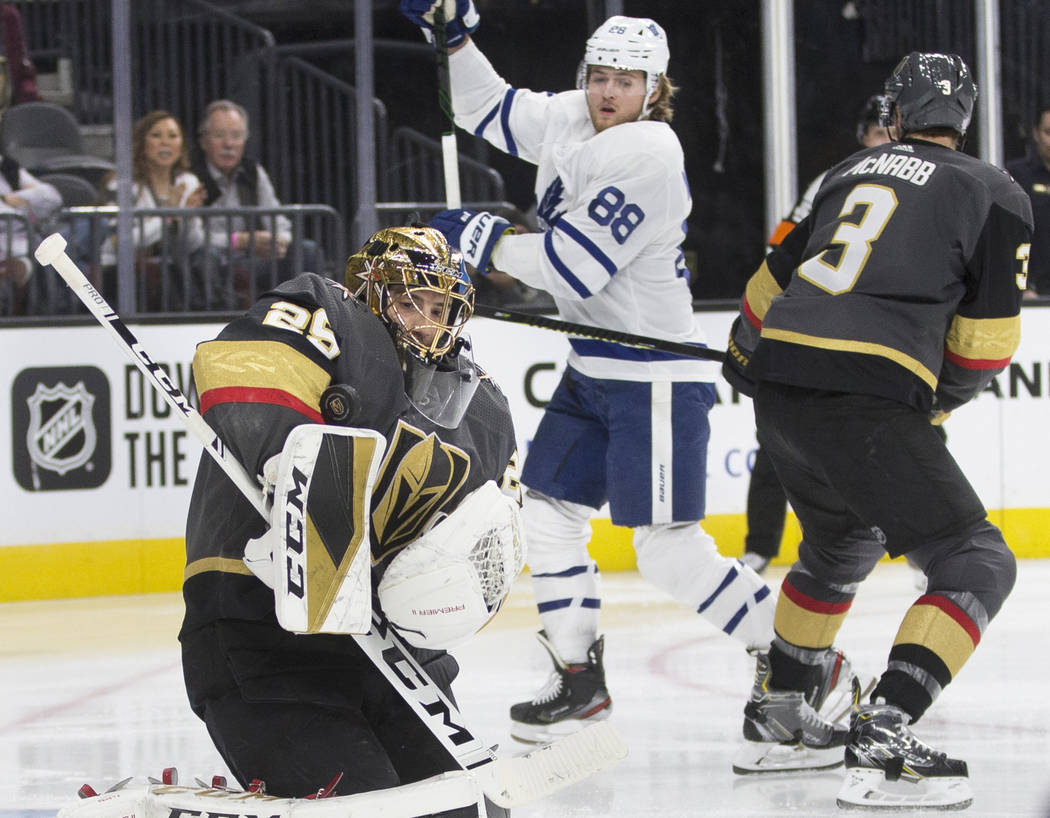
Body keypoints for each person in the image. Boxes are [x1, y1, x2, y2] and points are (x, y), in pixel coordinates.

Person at [402, 3, 812, 746]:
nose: (608, 90)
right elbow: (485, 109)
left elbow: (574, 268)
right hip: (596, 367)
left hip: (654, 375)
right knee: (548, 511)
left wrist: (483, 238)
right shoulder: (575, 116)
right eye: (599, 75)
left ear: (655, 88)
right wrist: (454, 35)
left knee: (664, 547)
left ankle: (794, 658)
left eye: (626, 79)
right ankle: (578, 678)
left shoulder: (650, 154)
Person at [723, 52, 1032, 809]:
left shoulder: (846, 173)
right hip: (864, 399)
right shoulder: (995, 191)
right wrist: (932, 402)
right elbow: (987, 344)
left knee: (839, 548)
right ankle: (884, 736)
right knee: (977, 561)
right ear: (962, 122)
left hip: (783, 393)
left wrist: (744, 357)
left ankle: (783, 716)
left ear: (895, 113)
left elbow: (764, 294)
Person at [180, 225, 518, 813]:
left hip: (394, 657)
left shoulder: (483, 408)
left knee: (468, 810)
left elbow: (494, 539)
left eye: (440, 307)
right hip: (260, 636)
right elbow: (244, 374)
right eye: (410, 299)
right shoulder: (325, 314)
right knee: (359, 808)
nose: (426, 322)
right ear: (369, 288)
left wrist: (443, 598)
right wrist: (298, 482)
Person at [741, 94, 891, 576]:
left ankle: (925, 540)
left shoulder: (923, 187)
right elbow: (780, 248)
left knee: (914, 437)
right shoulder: (833, 182)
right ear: (861, 135)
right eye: (876, 133)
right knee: (779, 439)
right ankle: (760, 545)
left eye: (893, 133)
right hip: (816, 331)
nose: (884, 143)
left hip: (882, 336)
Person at [191, 99, 322, 304]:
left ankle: (307, 314)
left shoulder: (253, 173)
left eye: (236, 136)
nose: (229, 144)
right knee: (206, 257)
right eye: (219, 135)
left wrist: (278, 241)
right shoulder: (191, 176)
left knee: (305, 250)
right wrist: (239, 241)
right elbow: (194, 239)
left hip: (251, 259)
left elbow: (279, 220)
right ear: (203, 141)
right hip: (216, 261)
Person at [98, 110, 206, 310]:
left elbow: (190, 246)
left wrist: (188, 219)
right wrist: (169, 214)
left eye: (172, 136)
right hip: (122, 270)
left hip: (171, 268)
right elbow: (120, 243)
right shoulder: (121, 185)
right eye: (156, 135)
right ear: (142, 142)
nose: (165, 142)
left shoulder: (187, 182)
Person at [0, 151, 60, 314]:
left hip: (25, 246)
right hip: (7, 250)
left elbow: (51, 196)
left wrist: (8, 198)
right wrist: (22, 201)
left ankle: (57, 315)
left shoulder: (7, 166)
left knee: (63, 252)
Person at [1006, 103, 1050, 296]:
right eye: (1048, 132)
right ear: (1036, 133)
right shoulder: (1016, 176)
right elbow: (1006, 236)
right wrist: (1022, 287)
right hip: (1031, 294)